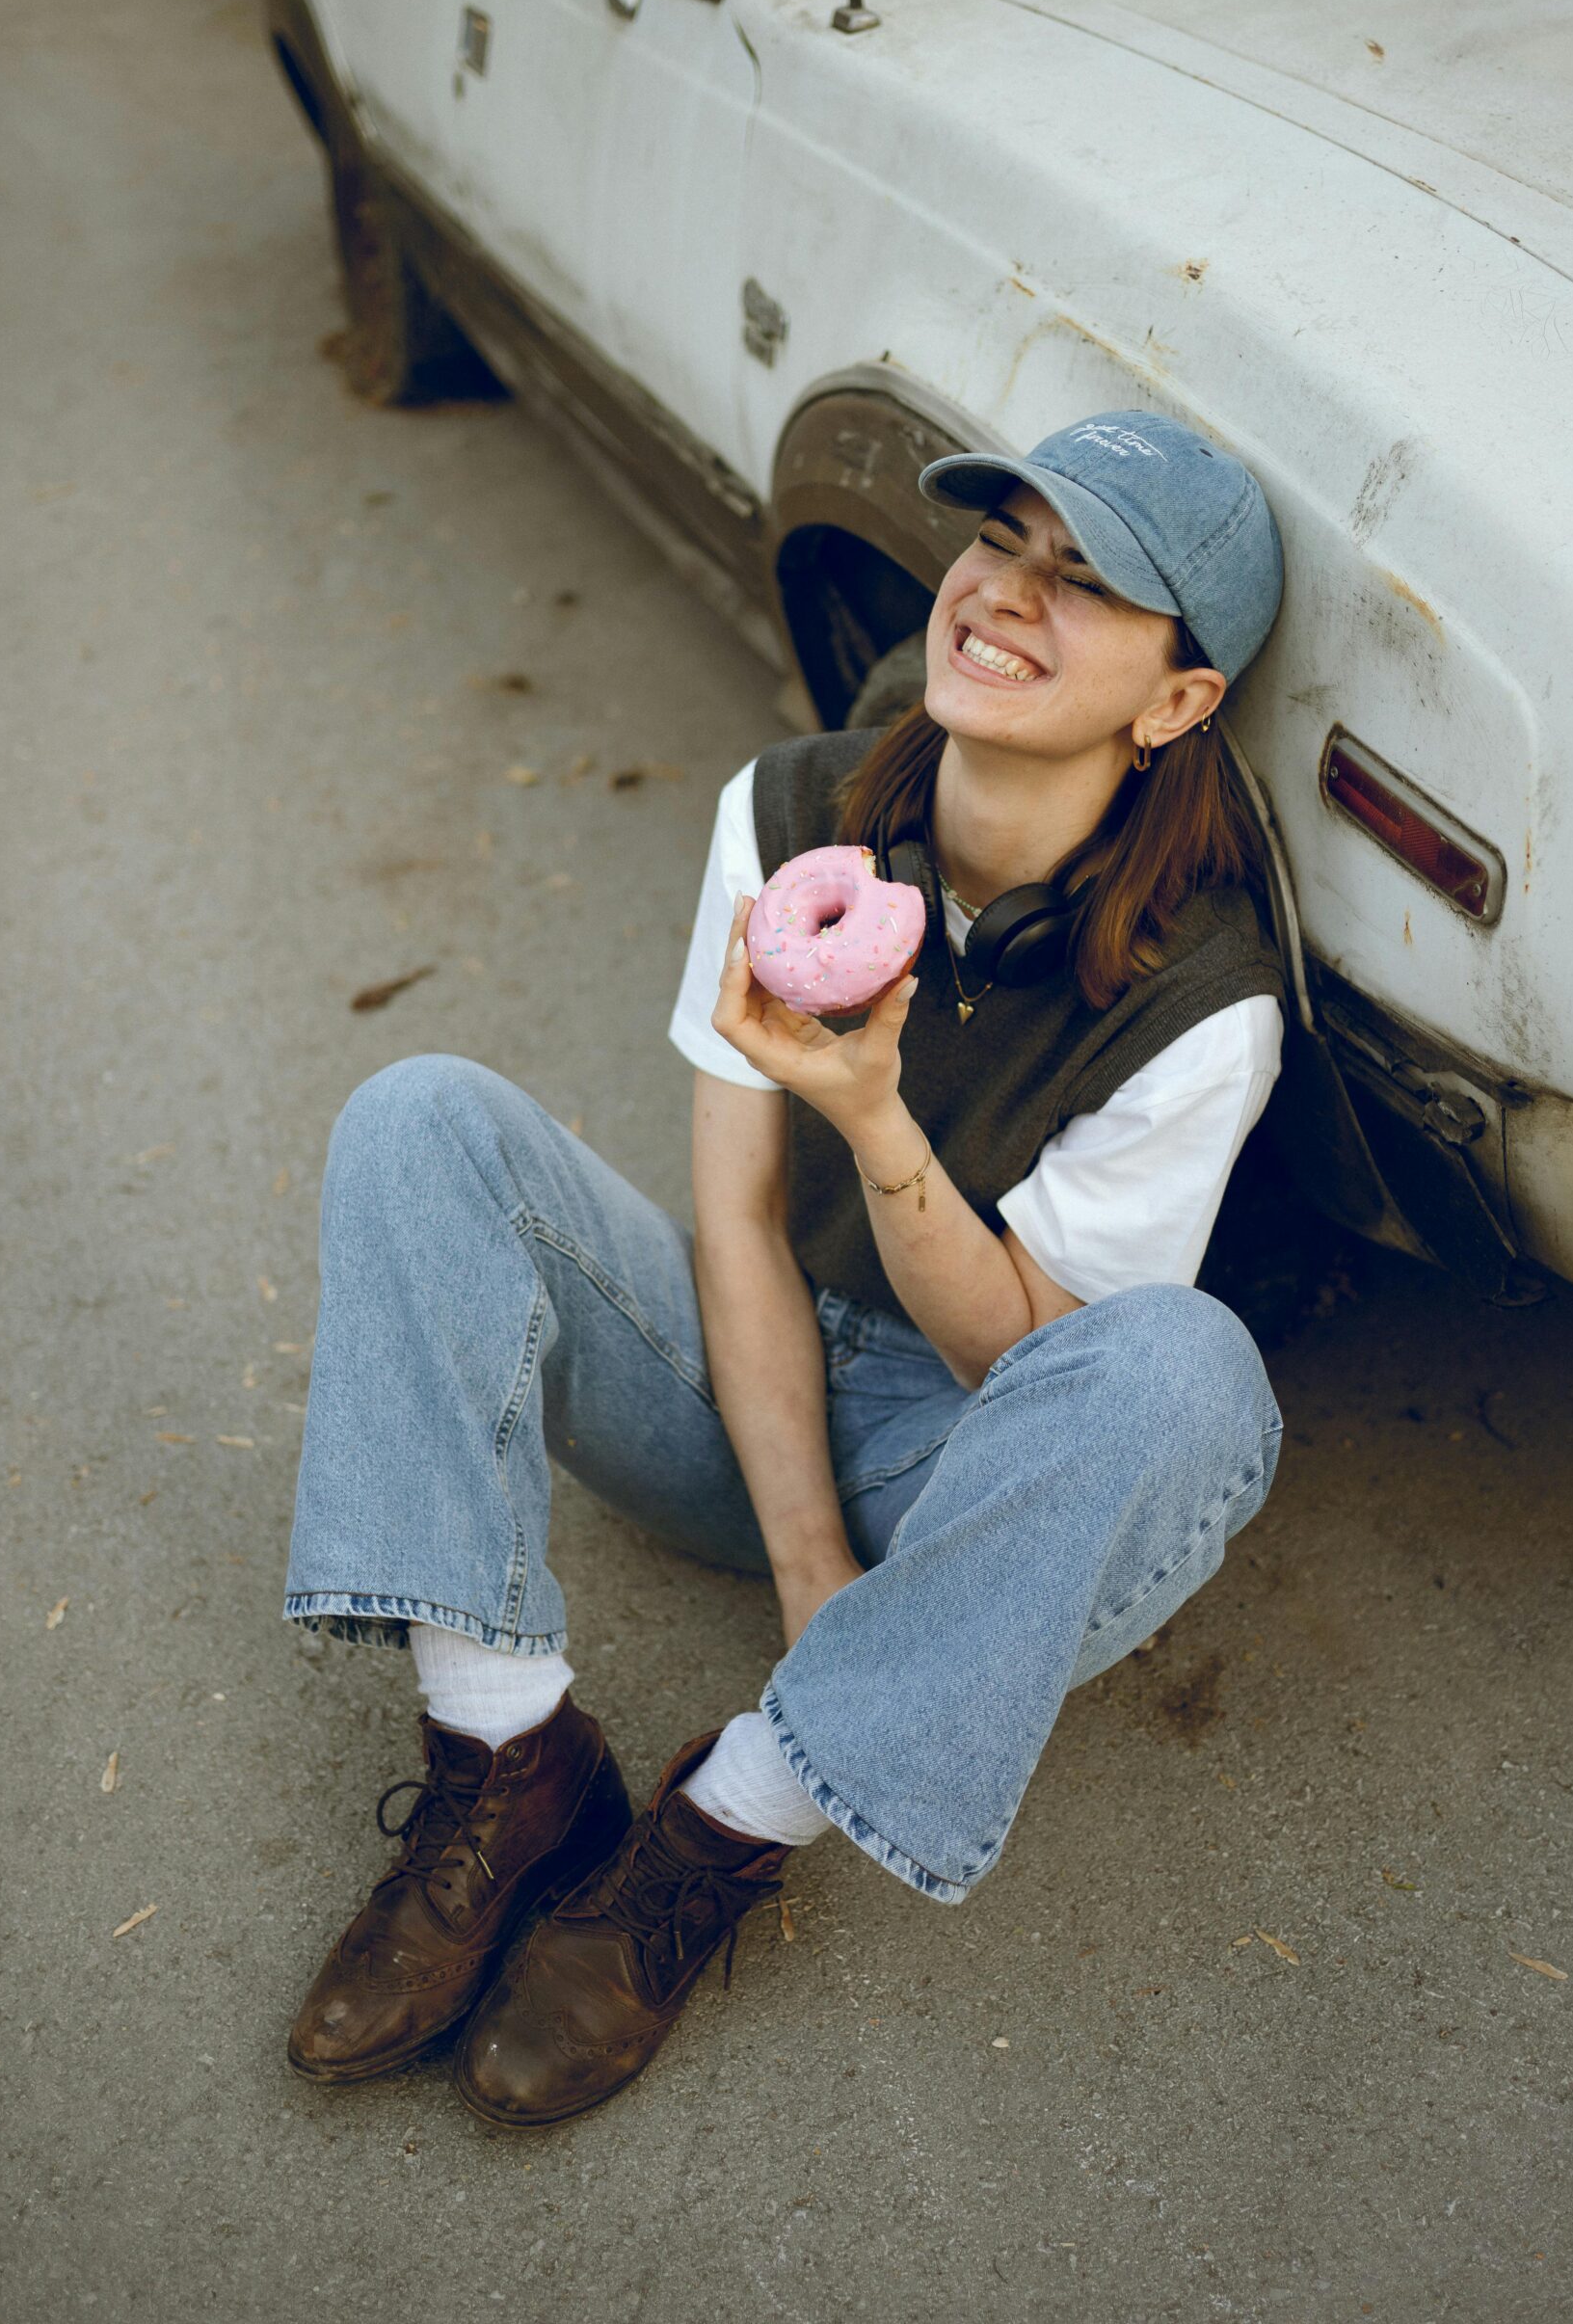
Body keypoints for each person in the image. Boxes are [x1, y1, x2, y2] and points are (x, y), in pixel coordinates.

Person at [280, 410, 1290, 2128]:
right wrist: (803, 1550)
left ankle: (722, 1827)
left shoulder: (1207, 1002)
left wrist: (884, 1127)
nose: (1006, 595)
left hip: (972, 1493)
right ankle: (507, 1754)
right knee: (421, 1114)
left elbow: (1032, 1371)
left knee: (1186, 1373)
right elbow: (736, 1216)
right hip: (740, 1384)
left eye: (1087, 580)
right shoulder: (797, 810)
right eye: (1004, 545)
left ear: (1177, 700)